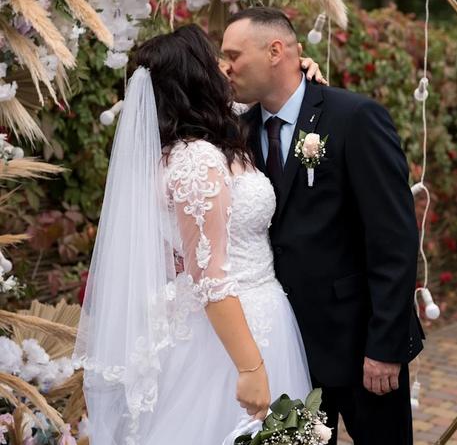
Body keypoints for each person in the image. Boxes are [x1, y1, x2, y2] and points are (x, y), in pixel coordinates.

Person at [74, 24, 326, 444]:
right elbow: (210, 277)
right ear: (196, 78)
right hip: (232, 330)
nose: (224, 68)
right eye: (215, 61)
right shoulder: (198, 161)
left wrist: (296, 72)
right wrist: (250, 368)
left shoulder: (186, 147)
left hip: (245, 313)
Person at [220, 7, 424, 445]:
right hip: (287, 352)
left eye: (233, 54)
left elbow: (394, 238)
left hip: (360, 348)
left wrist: (385, 347)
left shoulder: (354, 118)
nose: (226, 66)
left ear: (275, 51)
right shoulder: (238, 130)